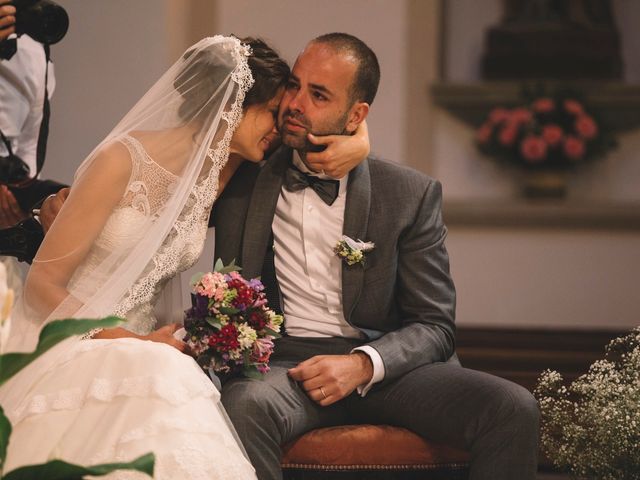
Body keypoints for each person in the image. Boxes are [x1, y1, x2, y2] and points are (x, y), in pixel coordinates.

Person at [0, 35, 368, 479]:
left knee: (168, 376)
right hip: (69, 338)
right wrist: (132, 342)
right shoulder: (122, 160)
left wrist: (361, 141)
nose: (279, 127)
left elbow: (317, 141)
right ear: (231, 104)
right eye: (273, 111)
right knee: (164, 373)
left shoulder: (226, 171)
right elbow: (43, 287)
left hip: (147, 347)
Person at [213, 33, 540, 480]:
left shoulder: (408, 193)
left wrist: (363, 364)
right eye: (295, 84)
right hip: (286, 367)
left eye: (319, 94)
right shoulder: (245, 171)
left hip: (389, 369)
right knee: (244, 404)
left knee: (512, 408)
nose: (295, 102)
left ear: (357, 116)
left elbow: (435, 325)